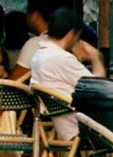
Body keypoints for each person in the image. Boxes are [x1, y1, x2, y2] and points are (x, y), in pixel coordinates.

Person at [28, 9, 93, 140]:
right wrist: (95, 57)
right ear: (71, 34)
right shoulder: (62, 59)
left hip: (63, 126)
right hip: (82, 128)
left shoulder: (39, 55)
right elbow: (99, 88)